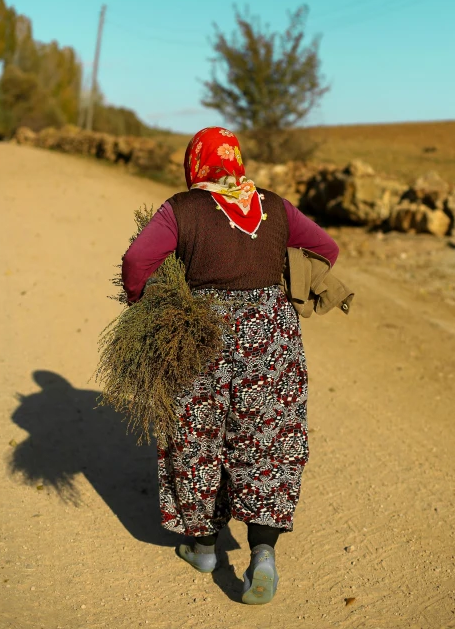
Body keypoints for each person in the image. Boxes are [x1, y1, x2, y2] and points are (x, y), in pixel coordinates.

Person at [122, 126, 339, 605]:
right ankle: (262, 554)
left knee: (197, 436)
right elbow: (327, 248)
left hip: (203, 336)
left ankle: (203, 549)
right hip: (273, 341)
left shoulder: (182, 208)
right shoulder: (277, 206)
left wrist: (145, 303)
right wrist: (284, 278)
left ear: (195, 163)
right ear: (236, 159)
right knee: (269, 436)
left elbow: (138, 260)